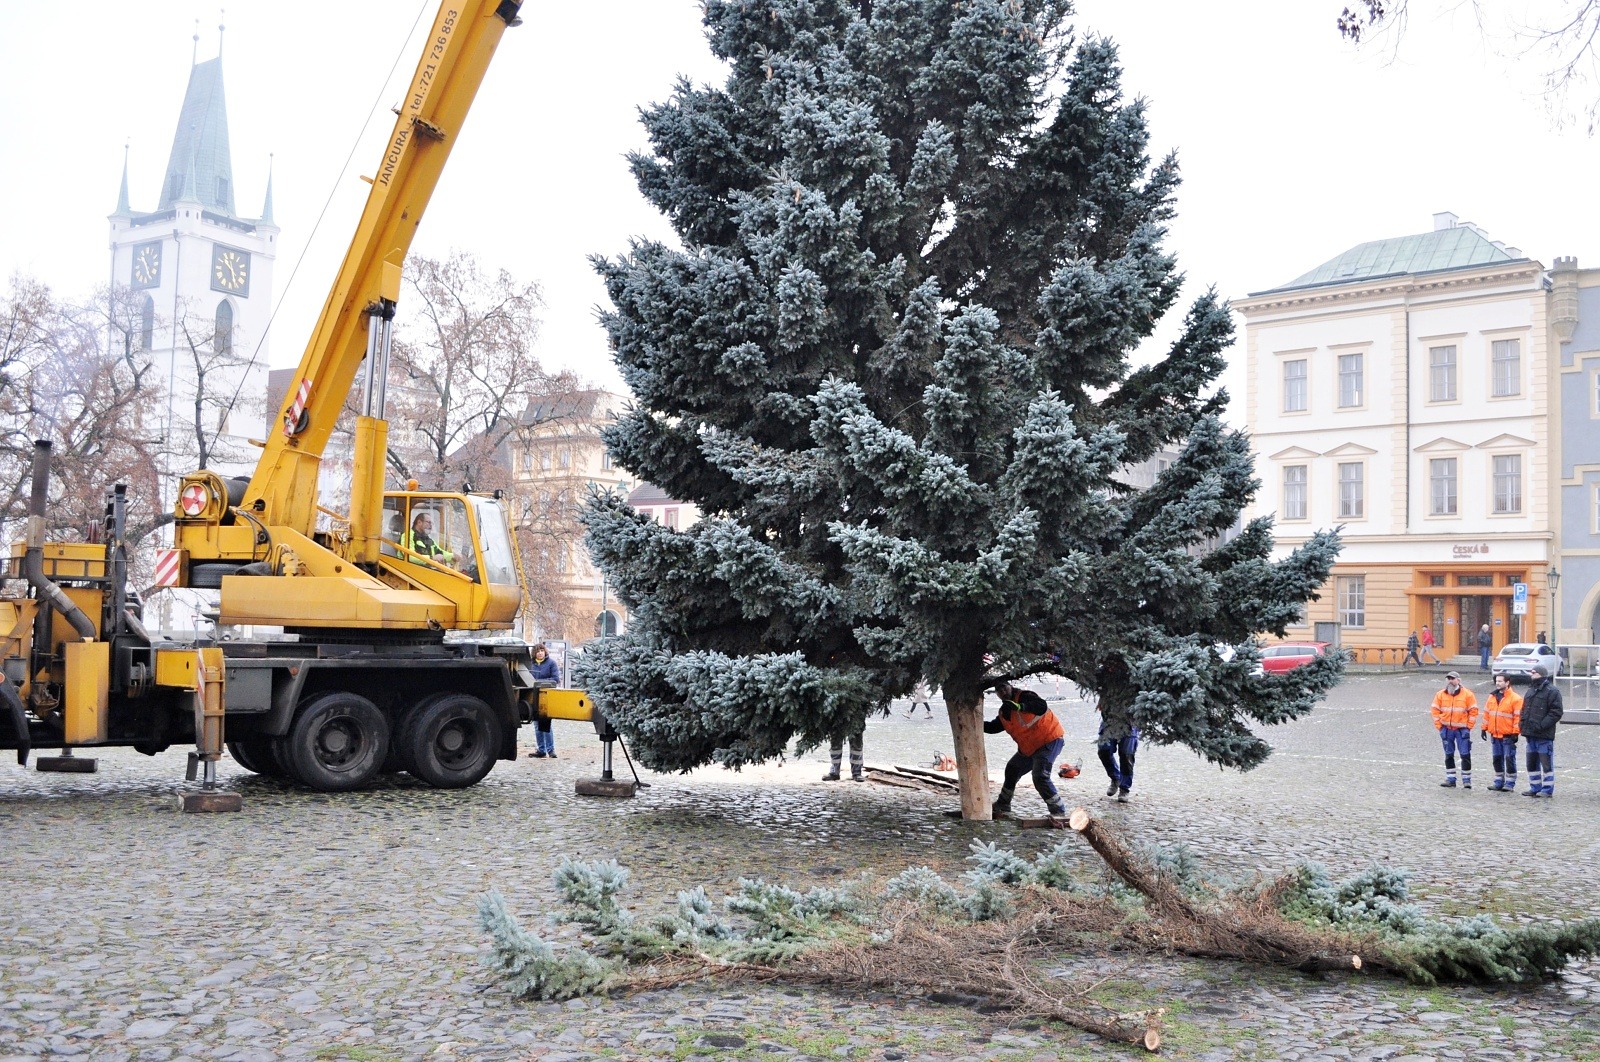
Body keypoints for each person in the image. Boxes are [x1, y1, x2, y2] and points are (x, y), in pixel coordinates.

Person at [984, 681, 1066, 818]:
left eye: (1004, 687)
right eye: (999, 690)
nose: (1002, 692)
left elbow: (1041, 706)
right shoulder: (1005, 711)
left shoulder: (1025, 696)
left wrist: (1021, 706)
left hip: (1049, 740)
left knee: (1040, 776)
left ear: (1011, 686)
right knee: (1012, 769)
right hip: (1030, 747)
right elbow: (994, 727)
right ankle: (1003, 804)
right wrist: (976, 724)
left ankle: (1058, 810)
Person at [1520, 661, 1564, 798]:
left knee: (1546, 763)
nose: (1532, 675)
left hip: (1544, 735)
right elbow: (1524, 709)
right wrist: (1522, 724)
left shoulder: (1553, 691)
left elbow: (1556, 712)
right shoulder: (1530, 690)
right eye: (1531, 673)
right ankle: (1535, 787)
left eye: (1535, 673)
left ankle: (1547, 789)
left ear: (1542, 675)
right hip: (1530, 734)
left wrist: (1541, 725)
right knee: (1531, 763)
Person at [1430, 671, 1478, 788]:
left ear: (1458, 680)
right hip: (1447, 729)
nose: (1450, 681)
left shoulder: (1468, 695)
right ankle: (1451, 779)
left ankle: (1467, 781)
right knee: (1449, 754)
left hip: (1461, 730)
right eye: (1448, 679)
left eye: (1452, 678)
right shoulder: (1440, 695)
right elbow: (1435, 710)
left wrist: (1469, 727)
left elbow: (1473, 711)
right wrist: (1439, 726)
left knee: (1465, 754)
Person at [1480, 671, 1522, 793]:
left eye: (1500, 681)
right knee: (1497, 759)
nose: (1497, 683)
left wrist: (1515, 732)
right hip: (1495, 734)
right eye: (1496, 681)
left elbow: (1517, 717)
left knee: (1509, 759)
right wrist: (1484, 728)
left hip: (1507, 735)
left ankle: (1510, 783)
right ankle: (1498, 781)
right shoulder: (1492, 697)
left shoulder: (1516, 699)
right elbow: (1487, 713)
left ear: (1507, 683)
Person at [1096, 711, 1139, 804]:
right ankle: (1115, 777)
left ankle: (1124, 788)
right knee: (1104, 751)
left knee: (1127, 755)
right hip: (1109, 721)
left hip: (1130, 723)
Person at [529, 643, 560, 758]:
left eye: (542, 650)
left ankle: (550, 749)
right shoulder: (531, 664)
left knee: (546, 724)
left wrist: (540, 681)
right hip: (534, 696)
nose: (540, 653)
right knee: (537, 725)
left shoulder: (551, 663)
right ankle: (541, 749)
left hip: (546, 696)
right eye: (538, 651)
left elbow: (556, 679)